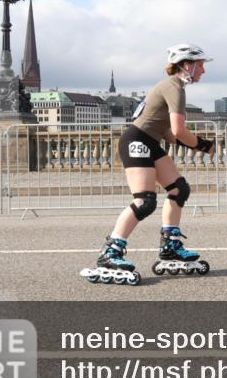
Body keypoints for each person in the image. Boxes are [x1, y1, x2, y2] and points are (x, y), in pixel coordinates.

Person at [80, 43, 215, 285]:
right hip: (137, 140)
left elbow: (169, 134)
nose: (203, 70)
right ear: (187, 65)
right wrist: (204, 145)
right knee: (144, 202)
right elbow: (178, 131)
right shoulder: (174, 87)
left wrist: (195, 143)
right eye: (201, 65)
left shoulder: (172, 86)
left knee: (179, 189)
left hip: (148, 141)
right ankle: (110, 251)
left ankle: (170, 245)